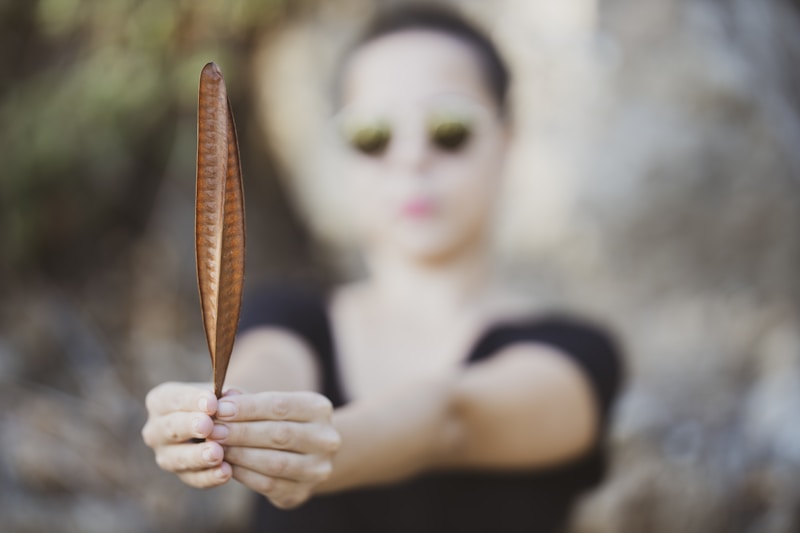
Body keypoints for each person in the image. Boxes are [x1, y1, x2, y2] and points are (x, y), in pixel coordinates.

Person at [142, 5, 623, 532]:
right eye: (373, 133)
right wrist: (216, 419)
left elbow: (449, 419)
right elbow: (261, 375)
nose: (411, 157)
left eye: (449, 128)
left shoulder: (574, 355)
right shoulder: (287, 315)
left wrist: (323, 449)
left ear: (506, 141)